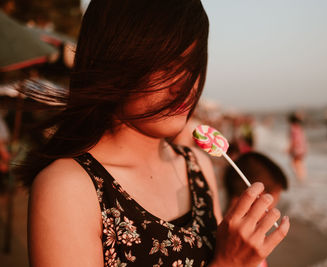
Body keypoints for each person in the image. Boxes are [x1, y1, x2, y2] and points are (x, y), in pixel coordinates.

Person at [17, 1, 289, 266]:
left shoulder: (197, 167)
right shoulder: (68, 188)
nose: (184, 86)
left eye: (192, 65)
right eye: (166, 66)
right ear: (115, 60)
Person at [223, 151, 289, 267]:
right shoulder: (240, 247)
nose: (273, 209)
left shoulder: (213, 227)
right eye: (272, 205)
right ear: (259, 197)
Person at [287, 112, 307, 182]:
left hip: (297, 149)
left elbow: (294, 140)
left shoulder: (292, 129)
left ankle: (300, 178)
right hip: (302, 149)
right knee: (299, 163)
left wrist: (289, 149)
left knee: (294, 164)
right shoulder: (299, 128)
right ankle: (302, 177)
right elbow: (302, 139)